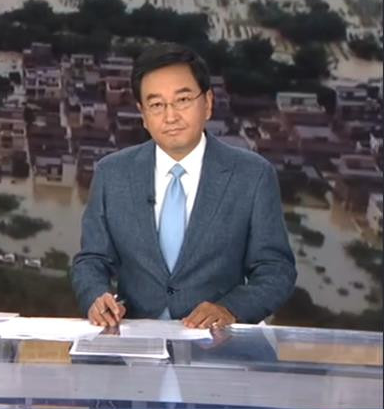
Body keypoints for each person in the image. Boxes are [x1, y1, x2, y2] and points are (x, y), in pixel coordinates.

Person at [71, 43, 296, 329]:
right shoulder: (112, 173)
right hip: (135, 338)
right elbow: (92, 260)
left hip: (217, 342)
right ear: (143, 114)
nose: (170, 116)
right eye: (156, 105)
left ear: (208, 103)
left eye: (183, 100)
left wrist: (231, 309)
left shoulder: (252, 175)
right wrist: (96, 296)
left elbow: (276, 269)